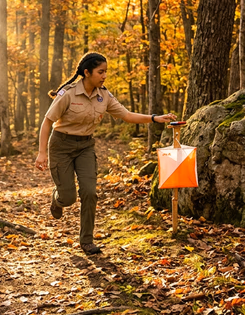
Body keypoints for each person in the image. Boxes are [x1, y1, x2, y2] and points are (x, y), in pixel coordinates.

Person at [34, 52, 176, 255]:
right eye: (100, 72)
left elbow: (127, 115)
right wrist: (41, 153)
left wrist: (155, 118)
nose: (104, 76)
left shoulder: (104, 95)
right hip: (61, 146)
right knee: (68, 198)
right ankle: (57, 200)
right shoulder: (68, 93)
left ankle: (86, 240)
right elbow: (48, 121)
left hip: (85, 147)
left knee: (90, 192)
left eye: (105, 72)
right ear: (87, 72)